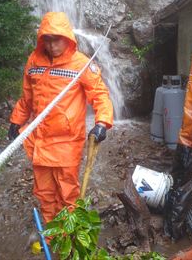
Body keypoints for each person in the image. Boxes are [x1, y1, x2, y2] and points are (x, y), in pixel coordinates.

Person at [8, 11, 114, 223]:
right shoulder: (34, 61)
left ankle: (68, 236)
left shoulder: (81, 64)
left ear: (67, 38)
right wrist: (16, 121)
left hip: (66, 140)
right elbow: (27, 96)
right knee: (44, 192)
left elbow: (100, 95)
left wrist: (102, 123)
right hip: (40, 138)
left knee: (67, 193)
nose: (52, 45)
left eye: (56, 40)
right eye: (47, 40)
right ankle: (51, 232)